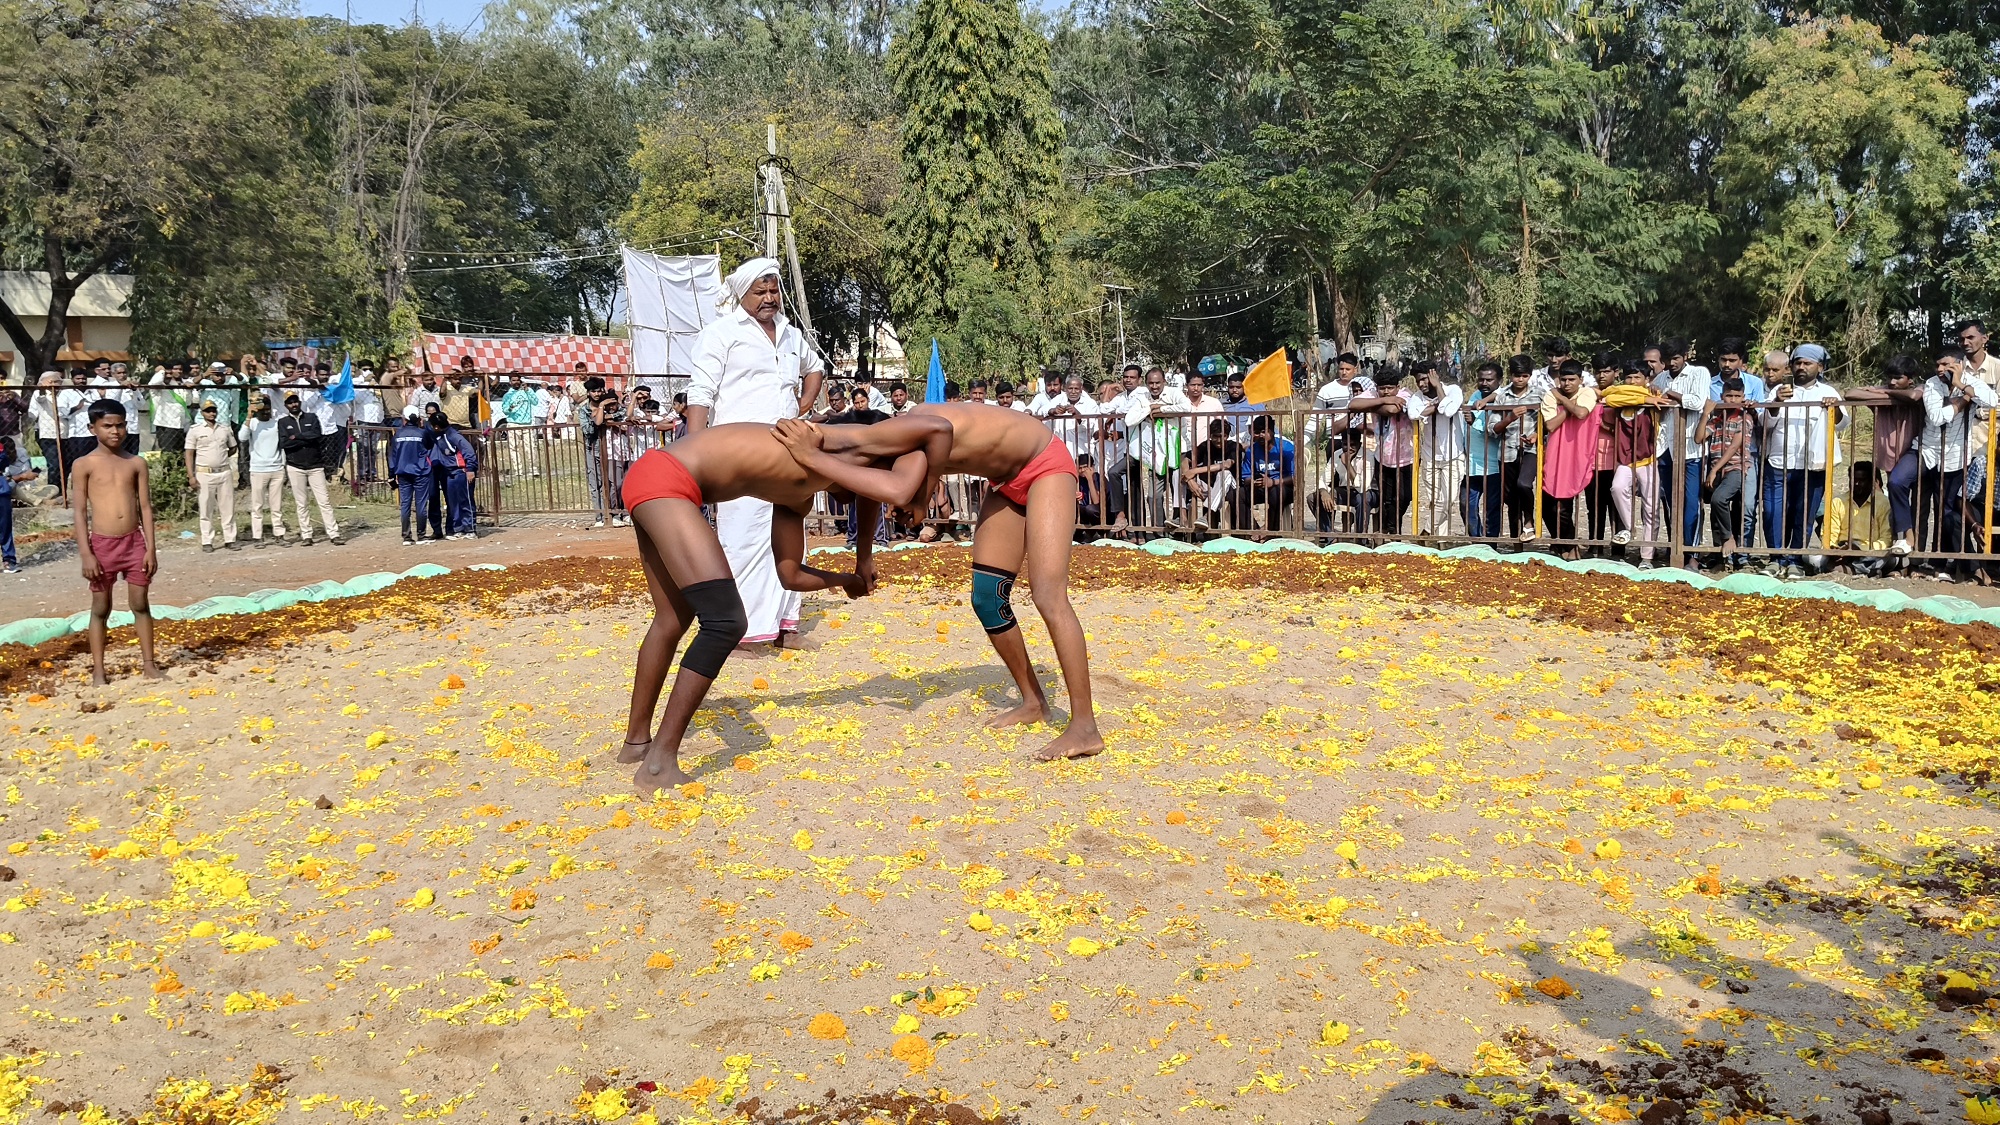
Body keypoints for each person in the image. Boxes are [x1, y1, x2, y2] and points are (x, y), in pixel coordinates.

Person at [617, 418, 944, 789]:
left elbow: (790, 574)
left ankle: (636, 744)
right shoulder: (834, 440)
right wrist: (921, 498)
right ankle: (659, 763)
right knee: (725, 621)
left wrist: (853, 573)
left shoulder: (799, 495)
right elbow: (937, 429)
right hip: (668, 480)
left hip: (654, 477)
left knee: (672, 618)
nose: (856, 494)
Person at [775, 403, 1105, 762]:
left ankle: (1085, 727)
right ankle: (1033, 702)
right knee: (987, 598)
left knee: (1048, 596)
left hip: (1045, 465)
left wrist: (915, 495)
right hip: (1006, 483)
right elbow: (875, 490)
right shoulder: (889, 445)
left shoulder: (912, 429)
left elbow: (913, 469)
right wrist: (864, 557)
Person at [684, 257, 826, 649]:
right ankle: (743, 633)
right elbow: (701, 393)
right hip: (739, 453)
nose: (769, 298)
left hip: (788, 450)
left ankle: (785, 627)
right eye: (759, 292)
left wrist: (802, 406)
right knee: (743, 537)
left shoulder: (791, 334)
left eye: (774, 290)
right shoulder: (720, 333)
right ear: (741, 294)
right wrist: (695, 452)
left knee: (789, 534)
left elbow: (814, 369)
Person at [70, 398, 160, 684]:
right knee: (100, 608)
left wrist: (150, 549)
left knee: (140, 604)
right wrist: (87, 554)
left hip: (134, 544)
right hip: (102, 545)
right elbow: (80, 511)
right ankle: (99, 669)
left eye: (120, 425)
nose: (115, 431)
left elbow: (145, 507)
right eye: (107, 425)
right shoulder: (83, 464)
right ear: (92, 428)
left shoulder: (136, 463)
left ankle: (149, 663)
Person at [1758, 343, 1847, 578]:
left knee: (1803, 514)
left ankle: (1795, 560)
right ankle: (1776, 559)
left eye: (1807, 363)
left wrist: (1833, 408)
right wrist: (1776, 402)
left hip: (1812, 465)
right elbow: (1764, 422)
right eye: (1797, 363)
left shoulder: (1829, 393)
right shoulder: (1780, 390)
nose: (1801, 367)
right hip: (1779, 462)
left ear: (1820, 366)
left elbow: (1841, 423)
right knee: (1772, 512)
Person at [1919, 344, 1998, 580]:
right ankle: (1959, 565)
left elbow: (1992, 401)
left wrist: (1962, 386)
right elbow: (1937, 417)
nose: (1942, 369)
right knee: (1946, 511)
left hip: (1959, 455)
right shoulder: (1932, 384)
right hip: (1935, 455)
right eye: (1938, 365)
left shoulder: (1971, 381)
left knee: (1949, 510)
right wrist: (1965, 398)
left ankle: (1965, 565)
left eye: (1947, 365)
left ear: (1960, 364)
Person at [1843, 355, 1926, 563]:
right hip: (1890, 456)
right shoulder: (1882, 390)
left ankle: (1917, 554)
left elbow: (1916, 397)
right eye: (1889, 378)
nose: (1892, 382)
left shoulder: (1923, 389)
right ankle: (1898, 551)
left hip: (1916, 452)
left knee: (1919, 505)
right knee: (1897, 503)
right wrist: (1886, 392)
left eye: (1898, 378)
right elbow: (1850, 393)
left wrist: (1886, 393)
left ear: (1911, 379)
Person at [1537, 360, 1600, 557]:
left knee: (1566, 503)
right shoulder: (1550, 395)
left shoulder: (1586, 392)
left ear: (1580, 380)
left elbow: (1582, 413)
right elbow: (1550, 425)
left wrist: (1562, 401)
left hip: (1580, 450)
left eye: (1572, 379)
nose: (1567, 384)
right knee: (1549, 503)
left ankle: (1570, 545)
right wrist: (1570, 408)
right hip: (1556, 452)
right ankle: (1563, 543)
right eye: (1563, 380)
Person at [1124, 367, 1191, 528]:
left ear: (1164, 382)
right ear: (1146, 383)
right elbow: (1129, 419)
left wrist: (1162, 409)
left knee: (1179, 493)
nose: (1154, 386)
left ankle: (1181, 531)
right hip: (1156, 453)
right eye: (1151, 383)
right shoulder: (1142, 397)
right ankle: (1159, 531)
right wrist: (1148, 409)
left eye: (1157, 383)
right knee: (1153, 496)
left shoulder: (1174, 393)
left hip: (1177, 450)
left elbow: (1186, 407)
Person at [1698, 377, 1752, 570]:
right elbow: (1699, 437)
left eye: (1737, 396)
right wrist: (1706, 414)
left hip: (1736, 467)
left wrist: (1714, 470)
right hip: (1717, 468)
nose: (1733, 400)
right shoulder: (1717, 418)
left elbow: (1734, 447)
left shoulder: (1744, 417)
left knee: (1720, 500)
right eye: (1729, 396)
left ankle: (1730, 541)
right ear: (1722, 396)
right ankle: (1720, 556)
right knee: (1715, 513)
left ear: (1743, 397)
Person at [278, 392, 344, 546]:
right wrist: (303, 438)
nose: (293, 404)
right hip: (295, 466)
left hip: (315, 466)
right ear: (286, 405)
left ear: (299, 402)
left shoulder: (311, 417)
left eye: (295, 401)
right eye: (290, 402)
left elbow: (316, 435)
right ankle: (306, 535)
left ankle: (334, 534)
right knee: (301, 503)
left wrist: (296, 437)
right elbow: (285, 444)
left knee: (324, 501)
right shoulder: (282, 422)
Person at [183, 401, 238, 552]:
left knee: (227, 507)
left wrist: (222, 457)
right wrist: (191, 476)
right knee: (206, 508)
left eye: (213, 410)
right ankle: (207, 540)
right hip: (204, 473)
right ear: (202, 413)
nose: (211, 413)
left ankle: (230, 538)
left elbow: (233, 447)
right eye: (208, 411)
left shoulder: (224, 429)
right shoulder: (195, 430)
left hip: (224, 471)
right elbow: (189, 453)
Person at [238, 392, 289, 547]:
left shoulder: (276, 423)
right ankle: (257, 536)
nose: (265, 411)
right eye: (262, 408)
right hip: (259, 469)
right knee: (257, 505)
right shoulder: (252, 423)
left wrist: (283, 466)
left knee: (276, 504)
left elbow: (282, 445)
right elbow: (242, 437)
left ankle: (279, 534)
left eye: (267, 408)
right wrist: (249, 416)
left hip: (276, 468)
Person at [1463, 362, 1505, 539]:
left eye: (1489, 379)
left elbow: (1496, 430)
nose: (1484, 383)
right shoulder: (1475, 395)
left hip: (1493, 465)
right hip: (1471, 465)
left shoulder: (1504, 397)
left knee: (1492, 508)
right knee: (1466, 506)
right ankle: (1477, 540)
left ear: (1499, 380)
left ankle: (1491, 543)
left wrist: (1475, 422)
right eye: (1481, 379)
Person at [430, 412, 479, 539]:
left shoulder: (453, 435)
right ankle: (458, 528)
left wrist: (470, 469)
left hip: (461, 472)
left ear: (436, 426)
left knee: (466, 501)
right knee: (453, 503)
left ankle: (470, 529)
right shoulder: (439, 436)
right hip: (449, 473)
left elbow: (468, 451)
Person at [391, 408, 435, 546]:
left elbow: (392, 456)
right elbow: (430, 445)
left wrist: (391, 474)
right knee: (421, 504)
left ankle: (406, 536)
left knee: (405, 504)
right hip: (421, 472)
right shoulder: (423, 433)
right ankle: (421, 535)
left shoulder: (398, 435)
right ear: (418, 419)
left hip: (403, 472)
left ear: (404, 419)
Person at [0, 436, 40, 573]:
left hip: (2, 491)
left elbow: (3, 462)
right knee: (4, 529)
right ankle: (8, 560)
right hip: (3, 489)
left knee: (5, 528)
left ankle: (9, 561)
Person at [148, 362, 192, 455]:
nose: (178, 371)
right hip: (166, 425)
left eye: (180, 369)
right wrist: (161, 371)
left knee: (179, 454)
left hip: (180, 425)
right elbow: (153, 383)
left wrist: (187, 389)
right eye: (175, 369)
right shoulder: (159, 387)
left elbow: (188, 402)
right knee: (168, 454)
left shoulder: (180, 384)